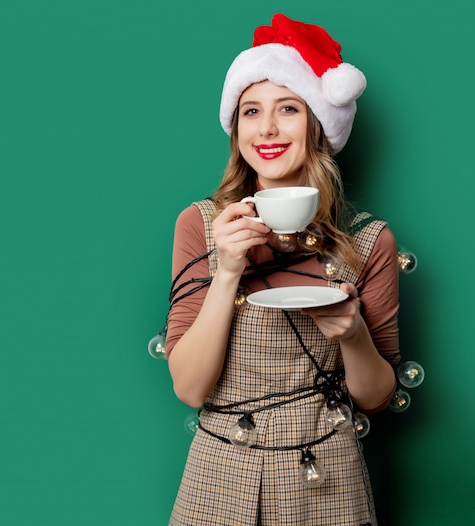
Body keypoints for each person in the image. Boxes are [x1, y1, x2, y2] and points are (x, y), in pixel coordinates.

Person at [164, 13, 400, 526]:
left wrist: (354, 333)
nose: (267, 128)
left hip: (329, 479)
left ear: (317, 122)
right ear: (236, 128)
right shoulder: (202, 226)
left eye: (288, 108)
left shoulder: (368, 241)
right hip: (220, 477)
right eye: (251, 111)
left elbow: (377, 397)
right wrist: (226, 271)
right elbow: (189, 388)